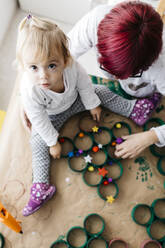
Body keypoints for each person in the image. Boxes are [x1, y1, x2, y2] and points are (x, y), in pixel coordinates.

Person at [18, 14, 159, 216]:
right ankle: (41, 186)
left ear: (65, 60)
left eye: (51, 66)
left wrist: (92, 105)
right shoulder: (31, 89)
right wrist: (52, 141)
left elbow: (84, 84)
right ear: (24, 66)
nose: (43, 76)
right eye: (33, 67)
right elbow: (38, 118)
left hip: (76, 100)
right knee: (37, 141)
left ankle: (134, 109)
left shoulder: (72, 67)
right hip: (51, 116)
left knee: (101, 91)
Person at [68, 0, 165, 159]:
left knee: (141, 91)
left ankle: (149, 94)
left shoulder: (162, 65)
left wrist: (151, 136)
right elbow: (56, 55)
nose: (116, 78)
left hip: (150, 85)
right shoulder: (95, 22)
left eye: (129, 74)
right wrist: (34, 91)